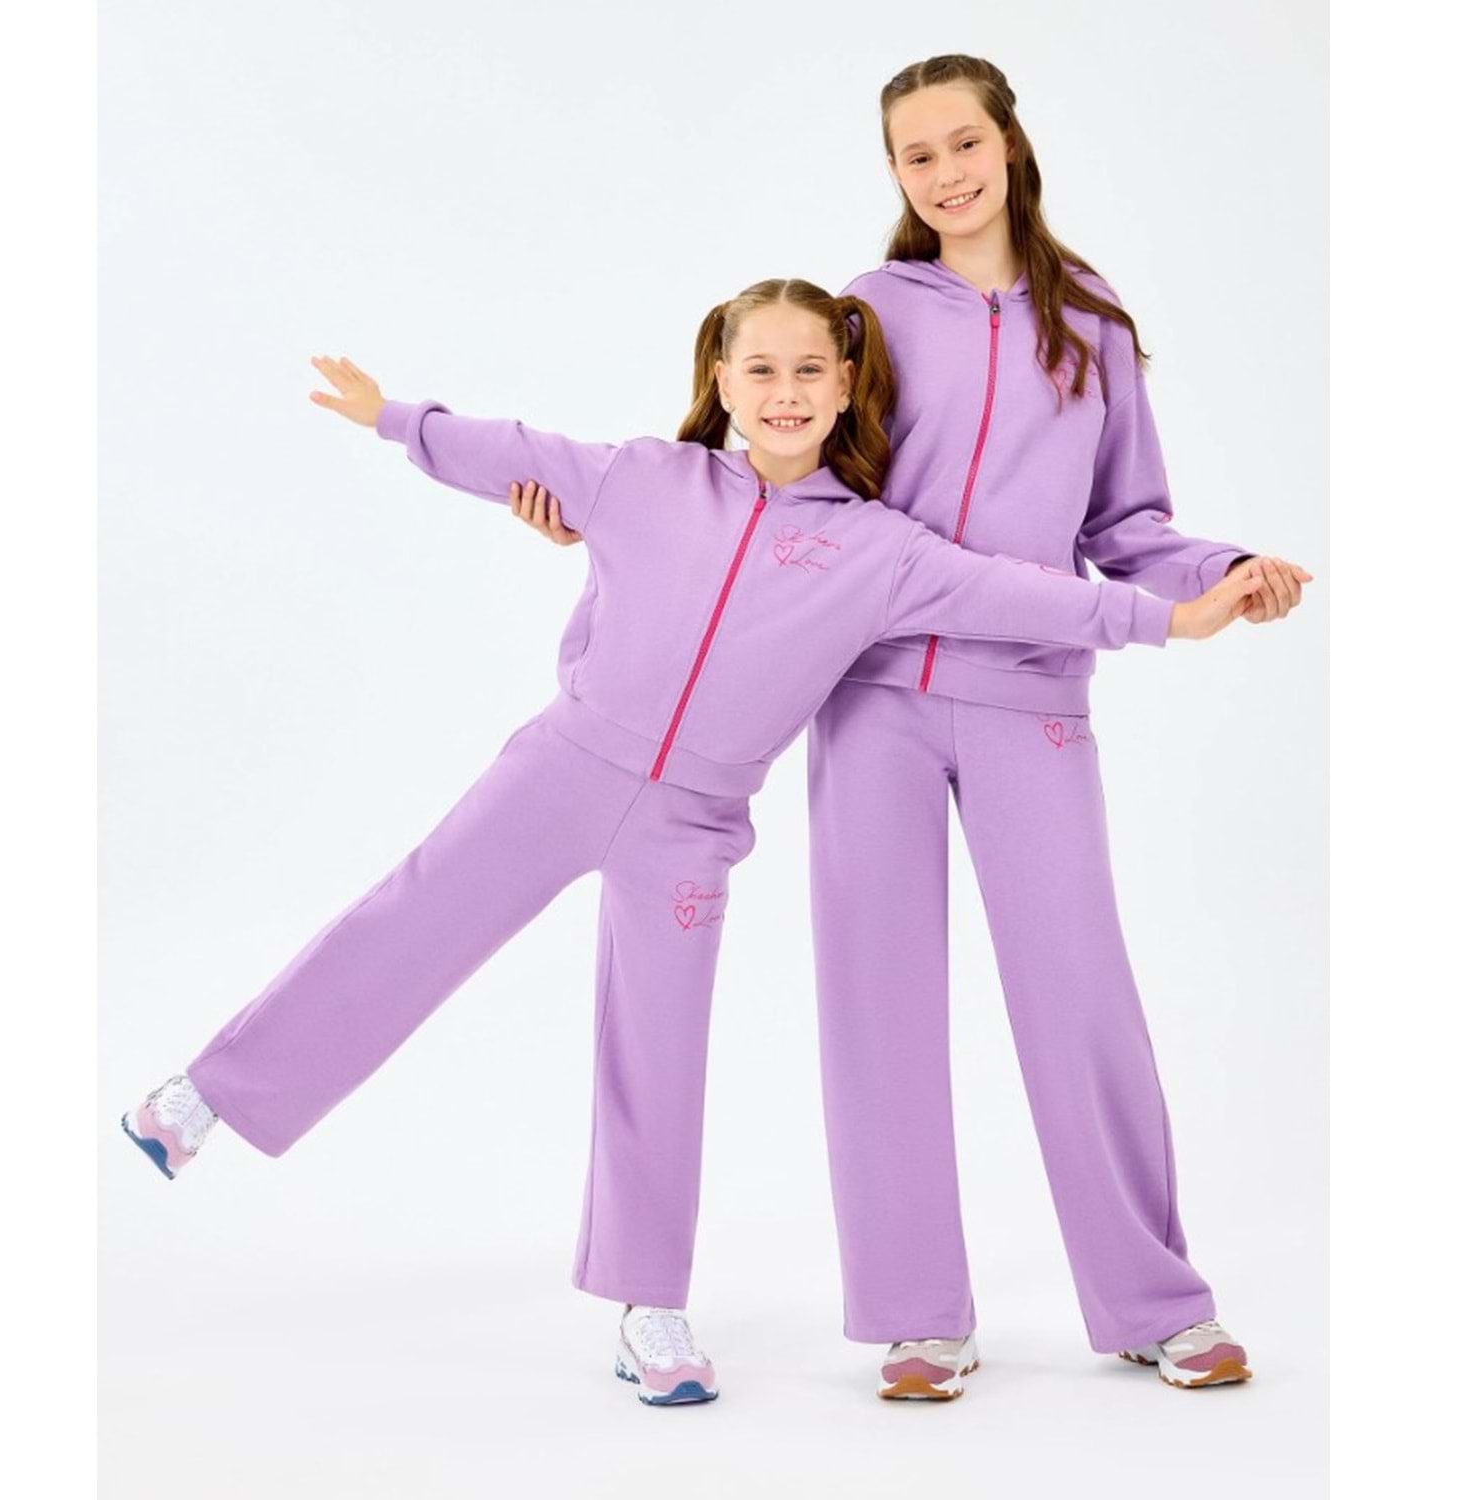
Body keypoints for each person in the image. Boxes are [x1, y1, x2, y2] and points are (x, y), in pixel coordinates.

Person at [120, 278, 1270, 1407]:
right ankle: (205, 1096)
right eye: (761, 369)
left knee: (659, 1054)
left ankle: (649, 1310)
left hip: (693, 827)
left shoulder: (882, 550)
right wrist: (393, 416)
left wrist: (1167, 617)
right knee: (409, 926)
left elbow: (1019, 595)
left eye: (810, 370)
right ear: (720, 380)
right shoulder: (646, 479)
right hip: (561, 772)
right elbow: (510, 449)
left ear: (848, 386)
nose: (785, 391)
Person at [504, 55, 1313, 1399]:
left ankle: (1153, 1302)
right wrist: (603, 515)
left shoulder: (1092, 325)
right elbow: (776, 466)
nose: (945, 174)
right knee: (875, 1001)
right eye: (915, 155)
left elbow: (1128, 527)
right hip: (868, 698)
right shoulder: (870, 312)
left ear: (1010, 144)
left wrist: (1219, 574)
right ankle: (917, 1314)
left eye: (962, 144)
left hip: (1031, 700)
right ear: (894, 172)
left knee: (1082, 997)